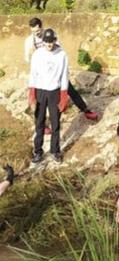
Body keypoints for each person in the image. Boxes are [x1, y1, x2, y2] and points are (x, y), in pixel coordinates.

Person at [25, 18, 99, 122]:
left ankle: (86, 110)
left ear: (41, 28)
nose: (36, 33)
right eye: (33, 32)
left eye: (37, 31)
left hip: (56, 71)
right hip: (42, 75)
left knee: (70, 90)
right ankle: (42, 124)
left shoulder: (52, 35)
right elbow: (28, 59)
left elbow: (60, 51)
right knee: (39, 99)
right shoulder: (29, 41)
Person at [28, 28, 68, 164]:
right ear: (43, 42)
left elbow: (64, 76)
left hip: (55, 91)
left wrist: (64, 95)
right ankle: (38, 151)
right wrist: (31, 94)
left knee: (55, 123)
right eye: (46, 42)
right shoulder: (37, 54)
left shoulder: (62, 54)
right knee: (39, 122)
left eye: (51, 42)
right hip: (40, 90)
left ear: (55, 40)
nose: (49, 45)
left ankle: (55, 151)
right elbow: (33, 75)